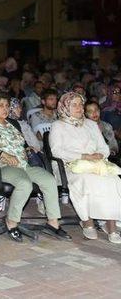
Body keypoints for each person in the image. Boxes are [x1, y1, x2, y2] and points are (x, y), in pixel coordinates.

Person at [0, 92, 70, 242]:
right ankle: (11, 222)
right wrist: (3, 155)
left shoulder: (14, 123)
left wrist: (27, 149)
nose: (5, 109)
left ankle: (53, 223)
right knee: (24, 184)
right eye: (0, 106)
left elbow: (21, 143)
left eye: (6, 105)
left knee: (49, 180)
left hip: (23, 165)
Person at [50, 92, 121, 243]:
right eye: (74, 104)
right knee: (86, 181)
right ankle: (87, 222)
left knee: (113, 180)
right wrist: (84, 156)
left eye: (80, 104)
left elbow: (104, 148)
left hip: (95, 164)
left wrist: (100, 155)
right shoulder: (58, 126)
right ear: (65, 106)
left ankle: (111, 226)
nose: (79, 107)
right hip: (69, 165)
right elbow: (56, 151)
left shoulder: (91, 124)